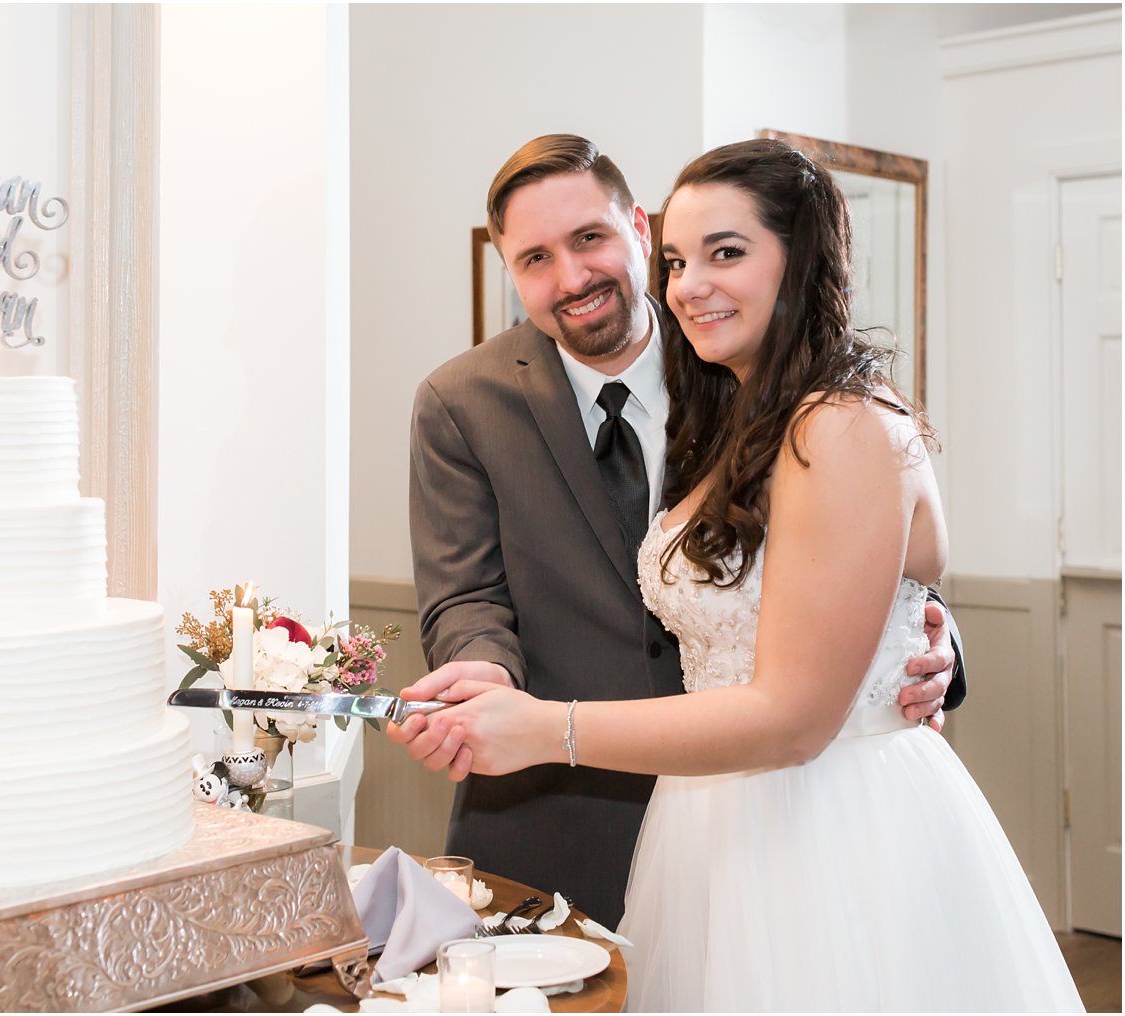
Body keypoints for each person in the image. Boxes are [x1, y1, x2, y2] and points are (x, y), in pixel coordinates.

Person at [397, 139, 1082, 1011]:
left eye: (590, 239)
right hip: (587, 819)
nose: (572, 275)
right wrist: (488, 682)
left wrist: (926, 643)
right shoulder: (471, 400)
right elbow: (466, 595)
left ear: (631, 228)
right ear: (509, 269)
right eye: (535, 258)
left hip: (806, 818)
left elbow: (863, 574)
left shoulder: (753, 385)